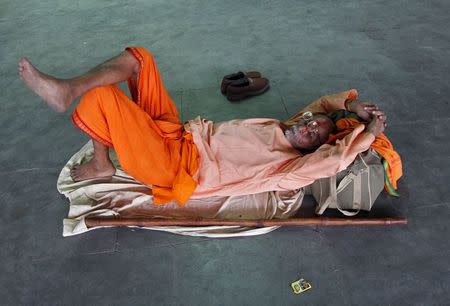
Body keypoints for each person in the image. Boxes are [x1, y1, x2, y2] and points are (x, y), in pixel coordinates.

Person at [19, 46, 396, 206]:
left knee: (105, 99)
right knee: (140, 59)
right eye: (311, 122)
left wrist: (369, 136)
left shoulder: (288, 169)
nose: (310, 125)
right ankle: (75, 104)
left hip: (174, 167)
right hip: (178, 133)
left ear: (312, 148)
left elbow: (331, 162)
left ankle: (83, 119)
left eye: (315, 134)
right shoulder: (286, 126)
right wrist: (349, 105)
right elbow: (320, 106)